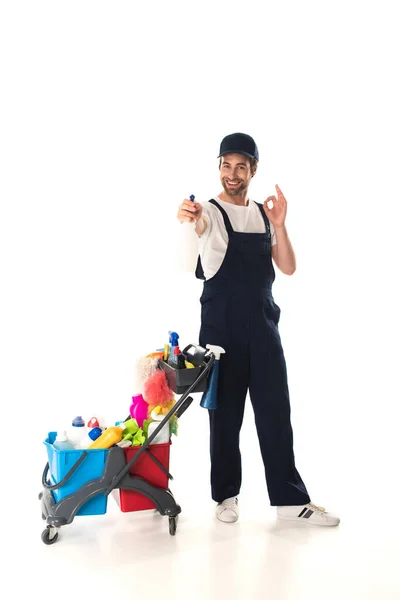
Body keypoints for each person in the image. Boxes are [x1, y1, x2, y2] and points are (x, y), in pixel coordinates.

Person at [177, 133, 340, 527]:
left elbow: (287, 267)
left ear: (253, 170)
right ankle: (225, 497)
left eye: (241, 166)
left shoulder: (264, 215)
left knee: (275, 413)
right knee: (225, 416)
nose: (232, 174)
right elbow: (197, 230)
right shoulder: (210, 212)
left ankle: (290, 501)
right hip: (222, 333)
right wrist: (190, 218)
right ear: (219, 167)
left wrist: (281, 225)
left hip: (265, 328)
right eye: (226, 165)